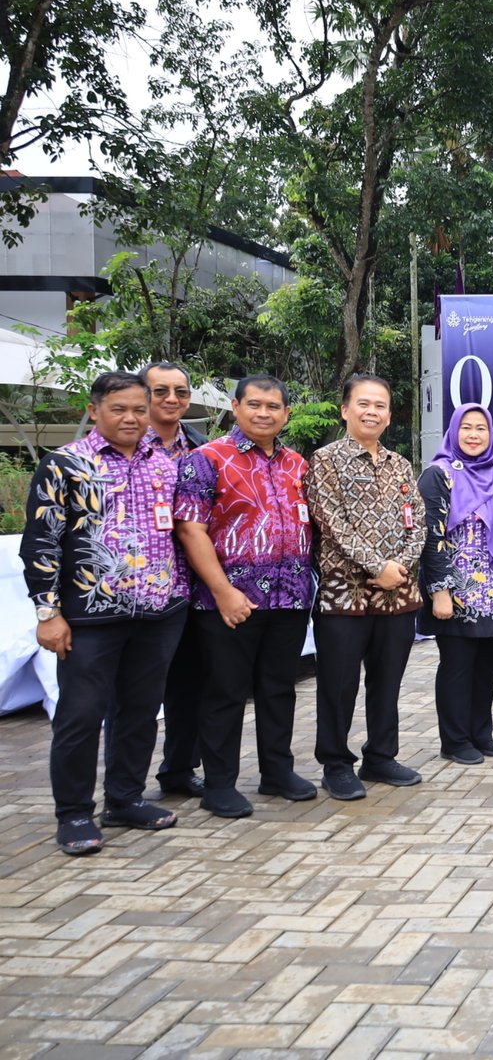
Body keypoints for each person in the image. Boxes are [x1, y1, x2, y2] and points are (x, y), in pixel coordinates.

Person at [22, 371, 188, 854]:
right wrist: (47, 612)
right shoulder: (66, 465)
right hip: (90, 616)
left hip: (159, 611)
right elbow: (41, 543)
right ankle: (74, 814)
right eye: (119, 409)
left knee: (139, 712)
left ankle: (125, 798)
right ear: (95, 411)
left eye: (140, 408)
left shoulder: (169, 463)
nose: (132, 418)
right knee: (80, 716)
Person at [174, 375, 315, 819]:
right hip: (230, 600)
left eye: (273, 406)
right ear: (235, 407)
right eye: (254, 404)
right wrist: (222, 591)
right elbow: (190, 528)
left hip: (289, 597)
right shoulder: (207, 458)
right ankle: (219, 783)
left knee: (278, 690)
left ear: (286, 414)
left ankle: (276, 771)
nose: (263, 413)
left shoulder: (297, 464)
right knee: (225, 692)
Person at [303, 374, 425, 800]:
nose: (372, 411)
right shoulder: (324, 461)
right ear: (345, 409)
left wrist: (399, 568)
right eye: (363, 404)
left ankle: (380, 755)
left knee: (387, 681)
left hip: (398, 595)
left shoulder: (401, 465)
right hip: (344, 594)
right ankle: (336, 762)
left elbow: (419, 523)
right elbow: (330, 522)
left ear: (389, 416)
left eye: (380, 406)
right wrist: (377, 565)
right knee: (338, 684)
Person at [419, 404, 493, 765]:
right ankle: (454, 740)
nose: (474, 435)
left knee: (487, 665)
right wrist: (440, 591)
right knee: (457, 666)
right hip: (455, 592)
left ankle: (480, 733)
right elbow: (429, 536)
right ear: (454, 431)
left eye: (481, 429)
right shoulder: (439, 474)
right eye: (467, 428)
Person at [140, 361, 211, 799]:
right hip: (141, 592)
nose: (172, 399)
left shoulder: (201, 450)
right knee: (138, 695)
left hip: (193, 588)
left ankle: (180, 769)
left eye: (181, 392)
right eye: (161, 391)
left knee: (192, 685)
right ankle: (123, 788)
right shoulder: (126, 447)